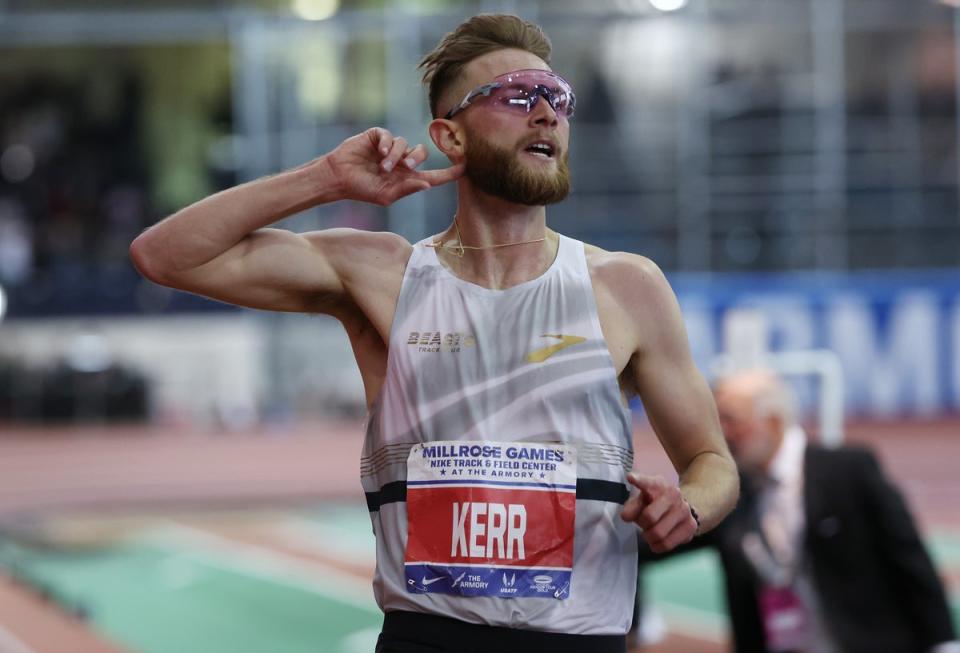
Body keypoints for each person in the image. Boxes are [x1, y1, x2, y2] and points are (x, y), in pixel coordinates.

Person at [130, 14, 739, 653]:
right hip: (427, 638)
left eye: (556, 98)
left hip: (580, 639)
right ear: (450, 136)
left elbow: (712, 462)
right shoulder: (381, 275)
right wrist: (328, 179)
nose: (545, 115)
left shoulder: (627, 287)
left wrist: (689, 506)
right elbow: (165, 256)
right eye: (516, 96)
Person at [637, 369, 958, 653]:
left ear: (773, 422)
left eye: (732, 419)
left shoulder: (848, 470)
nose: (722, 433)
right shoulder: (730, 495)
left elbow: (910, 559)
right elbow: (652, 543)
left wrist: (943, 642)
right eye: (717, 420)